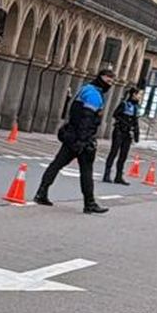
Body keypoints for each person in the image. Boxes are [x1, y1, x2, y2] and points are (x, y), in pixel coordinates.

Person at [35, 67, 114, 214]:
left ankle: (41, 192)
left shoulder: (86, 89)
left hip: (72, 135)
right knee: (86, 171)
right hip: (80, 138)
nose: (110, 84)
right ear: (101, 78)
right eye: (108, 81)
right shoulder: (94, 95)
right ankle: (89, 203)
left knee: (57, 164)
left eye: (111, 82)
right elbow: (86, 119)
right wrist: (84, 141)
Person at [104, 86, 141, 185]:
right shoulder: (124, 104)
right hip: (119, 131)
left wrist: (137, 134)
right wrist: (125, 123)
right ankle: (106, 174)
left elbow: (136, 121)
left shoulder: (136, 107)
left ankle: (118, 176)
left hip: (128, 134)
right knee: (114, 152)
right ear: (133, 94)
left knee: (123, 155)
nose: (139, 96)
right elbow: (115, 115)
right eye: (138, 94)